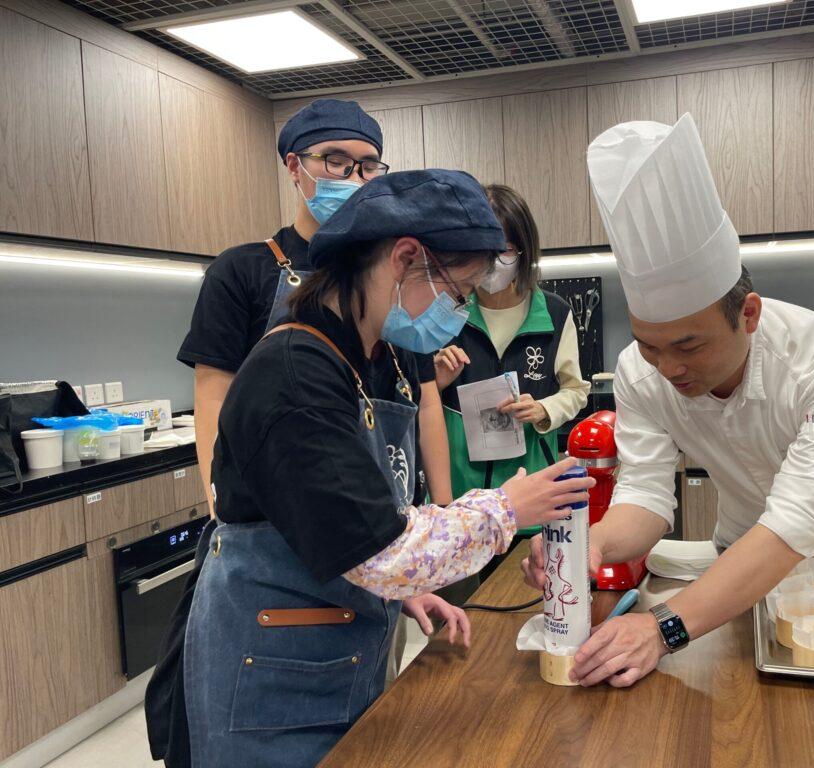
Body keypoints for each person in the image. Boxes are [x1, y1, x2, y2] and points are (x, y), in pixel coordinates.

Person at [184, 169, 595, 767]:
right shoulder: (295, 376)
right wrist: (509, 507)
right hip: (270, 683)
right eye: (459, 292)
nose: (459, 312)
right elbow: (380, 549)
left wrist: (401, 595)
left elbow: (346, 514)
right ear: (406, 260)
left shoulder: (375, 359)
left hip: (336, 648)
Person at [522, 115, 814, 688]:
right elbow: (647, 494)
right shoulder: (642, 373)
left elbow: (797, 521)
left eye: (688, 345)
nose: (669, 368)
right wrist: (596, 543)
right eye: (649, 345)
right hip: (740, 559)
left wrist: (663, 628)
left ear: (748, 315)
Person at [146, 100, 451, 767]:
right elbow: (216, 400)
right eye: (334, 160)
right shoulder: (247, 271)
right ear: (294, 167)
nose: (353, 174)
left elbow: (420, 402)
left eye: (368, 164)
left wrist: (427, 536)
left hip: (371, 560)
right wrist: (224, 513)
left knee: (361, 733)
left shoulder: (393, 282)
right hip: (280, 561)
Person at [434, 184, 590, 521]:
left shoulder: (555, 312)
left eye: (503, 251)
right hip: (462, 497)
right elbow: (416, 396)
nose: (493, 264)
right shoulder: (443, 314)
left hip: (532, 487)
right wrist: (434, 380)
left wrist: (543, 409)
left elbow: (576, 391)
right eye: (483, 251)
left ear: (523, 250)